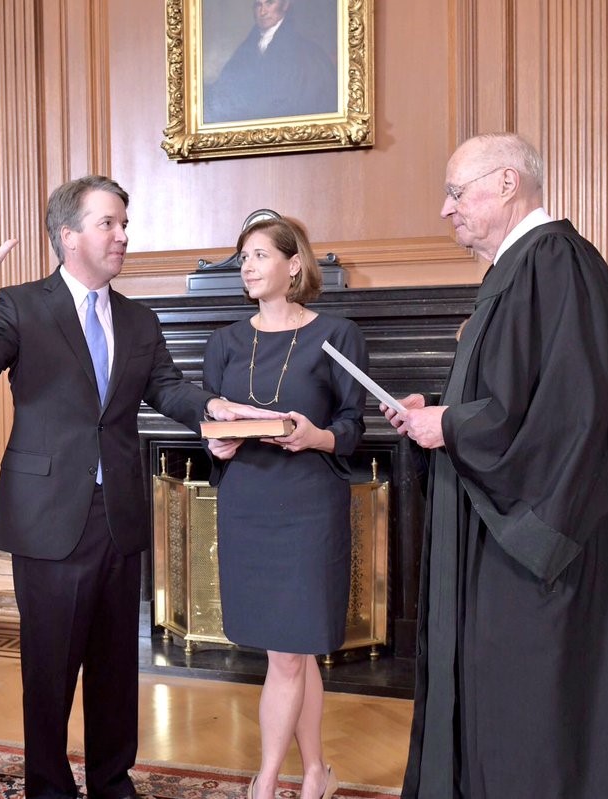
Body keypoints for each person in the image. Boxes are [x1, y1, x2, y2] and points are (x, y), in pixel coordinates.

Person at [0, 177, 278, 799]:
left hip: (118, 512)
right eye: (109, 223)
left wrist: (213, 410)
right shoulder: (21, 305)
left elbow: (167, 388)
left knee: (115, 665)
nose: (123, 234)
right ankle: (47, 786)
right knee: (48, 669)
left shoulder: (137, 316)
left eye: (125, 223)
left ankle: (112, 782)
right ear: (68, 235)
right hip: (48, 516)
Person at [384, 133, 608, 798]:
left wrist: (450, 424)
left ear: (508, 184)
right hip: (499, 534)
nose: (446, 210)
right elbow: (511, 393)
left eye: (457, 192)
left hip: (534, 551)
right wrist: (442, 409)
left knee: (530, 710)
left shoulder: (555, 263)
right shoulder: (522, 268)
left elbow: (567, 414)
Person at [202, 216, 366, 799]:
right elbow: (213, 427)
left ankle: (267, 782)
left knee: (290, 656)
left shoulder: (337, 334)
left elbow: (353, 426)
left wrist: (311, 435)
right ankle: (316, 772)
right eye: (242, 257)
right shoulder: (223, 341)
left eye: (259, 255)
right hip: (247, 503)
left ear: (294, 265)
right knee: (293, 652)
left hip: (308, 507)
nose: (245, 266)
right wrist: (215, 442)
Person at [204, 0, 336, 124]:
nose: (262, 12)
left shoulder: (307, 54)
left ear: (285, 5)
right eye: (258, 5)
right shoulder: (246, 48)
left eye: (269, 3)